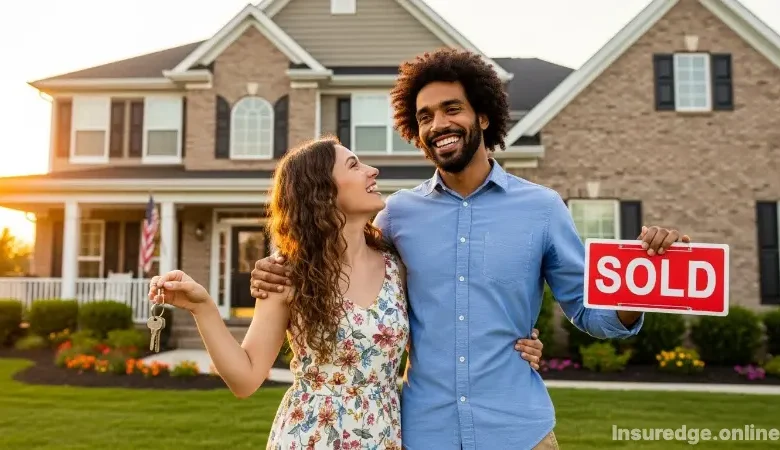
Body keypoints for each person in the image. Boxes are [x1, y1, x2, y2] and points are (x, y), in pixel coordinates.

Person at [250, 49, 691, 449]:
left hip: (520, 432)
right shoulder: (396, 216)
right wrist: (274, 268)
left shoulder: (542, 208)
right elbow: (332, 254)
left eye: (451, 109)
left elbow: (589, 313)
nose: (438, 124)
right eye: (424, 116)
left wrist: (641, 283)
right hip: (425, 433)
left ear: (482, 116)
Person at [147, 137, 544, 450]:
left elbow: (453, 314)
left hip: (385, 434)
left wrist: (519, 341)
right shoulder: (289, 273)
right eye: (354, 165)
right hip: (308, 436)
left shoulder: (396, 263)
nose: (373, 171)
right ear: (321, 190)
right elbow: (246, 378)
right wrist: (203, 308)